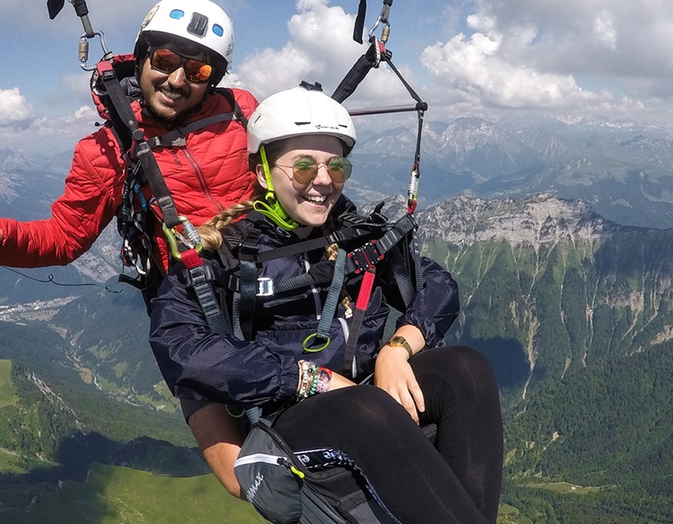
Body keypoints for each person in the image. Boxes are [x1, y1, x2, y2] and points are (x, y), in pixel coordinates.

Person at [149, 85, 504, 523]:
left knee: (465, 369)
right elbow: (180, 347)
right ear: (262, 173)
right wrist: (308, 379)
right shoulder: (223, 260)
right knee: (365, 409)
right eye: (303, 166)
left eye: (335, 166)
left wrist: (397, 349)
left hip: (365, 399)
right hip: (287, 421)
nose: (322, 180)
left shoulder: (359, 237)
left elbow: (437, 285)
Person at [0, 0, 252, 498]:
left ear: (214, 79)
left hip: (271, 270)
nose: (179, 80)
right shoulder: (109, 149)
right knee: (231, 451)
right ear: (143, 57)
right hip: (190, 294)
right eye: (165, 61)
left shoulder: (241, 109)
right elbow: (66, 235)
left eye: (198, 69)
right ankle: (259, 486)